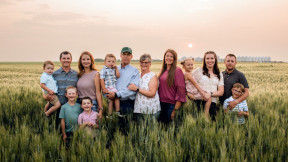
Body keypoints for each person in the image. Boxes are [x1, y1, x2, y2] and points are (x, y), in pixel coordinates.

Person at [45, 51, 78, 127]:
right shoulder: (54, 74)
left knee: (70, 128)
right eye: (64, 58)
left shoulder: (76, 74)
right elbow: (46, 88)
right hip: (56, 106)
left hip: (70, 107)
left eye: (68, 58)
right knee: (55, 127)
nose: (66, 60)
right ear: (60, 60)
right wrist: (46, 96)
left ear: (71, 60)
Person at [106, 47, 140, 115]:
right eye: (124, 54)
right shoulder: (114, 68)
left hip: (127, 104)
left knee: (124, 123)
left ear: (131, 56)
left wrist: (116, 94)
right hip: (112, 101)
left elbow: (132, 90)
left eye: (128, 55)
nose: (126, 57)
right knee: (111, 123)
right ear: (120, 55)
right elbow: (108, 81)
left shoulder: (135, 71)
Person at [192, 51, 224, 121]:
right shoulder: (198, 71)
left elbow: (221, 92)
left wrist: (210, 94)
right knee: (198, 125)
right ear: (204, 60)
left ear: (215, 59)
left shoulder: (219, 73)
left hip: (213, 104)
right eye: (207, 58)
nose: (210, 60)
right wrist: (190, 94)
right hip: (199, 102)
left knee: (211, 125)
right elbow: (187, 80)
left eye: (212, 58)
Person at [128, 54, 161, 121]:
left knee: (150, 131)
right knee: (140, 130)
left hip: (150, 111)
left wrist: (137, 89)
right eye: (142, 62)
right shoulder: (138, 75)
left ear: (150, 64)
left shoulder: (152, 76)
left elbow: (152, 94)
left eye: (146, 62)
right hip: (138, 109)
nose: (143, 64)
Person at [158, 49, 186, 123]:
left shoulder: (177, 71)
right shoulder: (163, 70)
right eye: (167, 56)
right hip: (160, 103)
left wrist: (175, 109)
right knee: (162, 129)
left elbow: (181, 90)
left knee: (169, 129)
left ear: (174, 59)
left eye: (171, 56)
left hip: (171, 105)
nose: (169, 58)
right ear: (164, 58)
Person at [77, 51, 103, 119]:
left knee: (92, 127)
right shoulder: (79, 74)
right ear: (81, 61)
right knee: (82, 127)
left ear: (91, 61)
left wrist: (100, 109)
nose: (86, 61)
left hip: (91, 104)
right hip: (80, 104)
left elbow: (98, 92)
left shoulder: (96, 74)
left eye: (88, 59)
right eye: (83, 59)